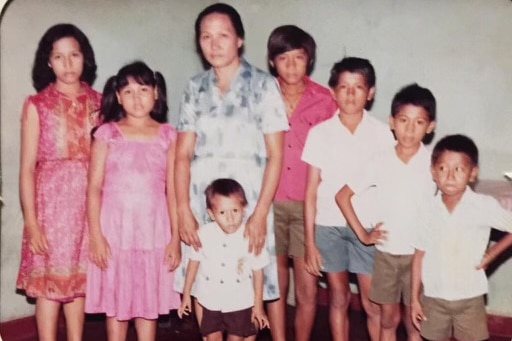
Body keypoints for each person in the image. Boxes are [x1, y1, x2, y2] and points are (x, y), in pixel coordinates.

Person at [173, 3, 288, 339]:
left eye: (223, 35)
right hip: (201, 202)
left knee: (245, 291)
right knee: (204, 281)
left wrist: (259, 213)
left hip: (248, 205)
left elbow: (275, 155)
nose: (214, 43)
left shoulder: (264, 86)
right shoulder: (195, 87)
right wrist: (182, 209)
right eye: (206, 37)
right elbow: (182, 155)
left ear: (239, 39)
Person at [16, 23, 101, 341]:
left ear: (85, 58)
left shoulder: (101, 101)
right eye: (59, 56)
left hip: (87, 206)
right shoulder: (36, 105)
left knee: (79, 285)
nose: (68, 63)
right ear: (48, 62)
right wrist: (33, 224)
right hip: (49, 208)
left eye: (74, 55)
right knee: (49, 288)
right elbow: (26, 169)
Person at [85, 61, 181, 340]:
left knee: (147, 304)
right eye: (128, 91)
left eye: (143, 89)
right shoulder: (106, 134)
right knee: (116, 304)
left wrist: (175, 238)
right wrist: (96, 236)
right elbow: (93, 188)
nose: (136, 98)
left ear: (155, 93)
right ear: (117, 96)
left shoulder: (169, 135)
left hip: (154, 232)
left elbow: (173, 191)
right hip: (115, 232)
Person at [302, 57, 395, 341]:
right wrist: (309, 243)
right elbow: (310, 192)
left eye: (358, 87)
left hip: (367, 228)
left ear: (371, 93)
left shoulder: (382, 134)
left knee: (371, 303)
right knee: (339, 298)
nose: (351, 94)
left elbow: (390, 185)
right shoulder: (320, 133)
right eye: (344, 87)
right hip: (328, 227)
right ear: (332, 90)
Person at [336, 83, 437, 341]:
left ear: (430, 126)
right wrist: (364, 235)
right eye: (404, 120)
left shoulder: (434, 164)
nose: (410, 129)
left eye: (418, 122)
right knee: (388, 320)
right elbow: (343, 196)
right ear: (392, 122)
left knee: (416, 322)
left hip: (419, 257)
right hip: (387, 256)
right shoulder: (379, 160)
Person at [266, 24, 336, 341]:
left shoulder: (325, 100)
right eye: (284, 58)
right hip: (269, 200)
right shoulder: (261, 97)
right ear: (272, 62)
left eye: (299, 57)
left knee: (307, 286)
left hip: (311, 205)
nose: (292, 65)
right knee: (275, 281)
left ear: (309, 60)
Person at [410, 134, 512, 341]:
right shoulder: (427, 209)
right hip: (433, 297)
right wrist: (414, 298)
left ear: (472, 173)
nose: (449, 176)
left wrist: (492, 253)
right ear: (433, 172)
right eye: (442, 169)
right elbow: (418, 256)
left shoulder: (483, 205)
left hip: (470, 297)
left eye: (459, 169)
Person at [178, 178, 270, 340]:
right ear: (211, 214)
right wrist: (186, 294)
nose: (230, 218)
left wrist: (258, 306)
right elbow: (193, 263)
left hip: (240, 301)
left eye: (235, 211)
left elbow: (258, 272)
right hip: (210, 299)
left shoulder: (249, 237)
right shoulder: (204, 234)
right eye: (222, 213)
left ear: (244, 209)